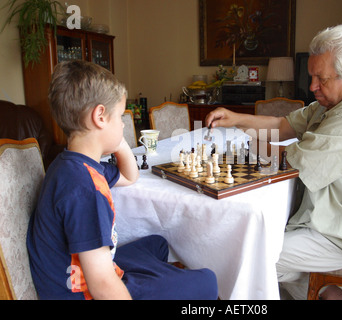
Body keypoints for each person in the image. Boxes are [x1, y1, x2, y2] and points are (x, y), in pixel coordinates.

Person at [205, 25, 342, 300]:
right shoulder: (335, 104)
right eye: (311, 76)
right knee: (264, 250)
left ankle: (321, 289)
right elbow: (282, 124)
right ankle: (324, 290)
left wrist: (248, 144)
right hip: (340, 219)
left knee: (254, 258)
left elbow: (295, 162)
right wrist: (236, 117)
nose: (312, 87)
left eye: (321, 78)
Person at [27, 60, 218, 300]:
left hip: (87, 271)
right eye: (119, 117)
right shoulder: (86, 190)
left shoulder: (73, 165)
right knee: (207, 282)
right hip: (82, 292)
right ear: (100, 117)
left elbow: (129, 176)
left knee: (158, 244)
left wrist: (117, 141)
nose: (123, 124)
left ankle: (161, 282)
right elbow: (102, 286)